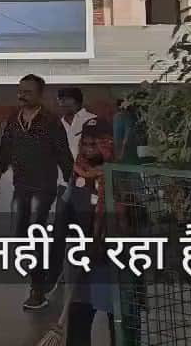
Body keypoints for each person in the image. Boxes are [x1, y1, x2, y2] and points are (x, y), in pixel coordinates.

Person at [0, 74, 73, 311]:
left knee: (35, 233)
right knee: (20, 235)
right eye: (20, 91)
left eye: (27, 92)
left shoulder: (50, 121)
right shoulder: (14, 119)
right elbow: (5, 148)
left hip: (44, 187)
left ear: (40, 94)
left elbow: (63, 154)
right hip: (21, 186)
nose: (22, 96)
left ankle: (37, 289)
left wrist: (73, 184)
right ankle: (50, 267)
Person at [65, 118, 117, 346]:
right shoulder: (79, 171)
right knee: (79, 308)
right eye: (85, 143)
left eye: (95, 144)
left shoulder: (120, 173)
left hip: (113, 255)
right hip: (83, 253)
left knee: (118, 312)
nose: (88, 149)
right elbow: (69, 209)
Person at [51, 87, 96, 292]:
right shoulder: (57, 125)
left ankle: (84, 270)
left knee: (84, 229)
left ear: (76, 101)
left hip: (86, 185)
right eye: (59, 100)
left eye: (65, 99)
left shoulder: (91, 121)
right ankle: (61, 272)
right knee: (60, 230)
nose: (61, 103)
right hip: (64, 185)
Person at [113, 98, 141, 164]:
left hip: (124, 149)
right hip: (126, 149)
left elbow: (124, 135)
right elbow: (126, 134)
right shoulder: (125, 116)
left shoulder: (118, 116)